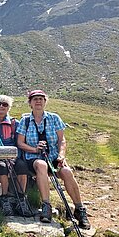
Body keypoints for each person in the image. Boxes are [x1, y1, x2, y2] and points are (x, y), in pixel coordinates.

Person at [17, 89, 91, 229]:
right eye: (35, 99)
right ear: (30, 103)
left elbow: (61, 140)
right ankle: (46, 205)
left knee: (67, 172)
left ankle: (79, 209)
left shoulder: (54, 118)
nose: (38, 101)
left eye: (41, 98)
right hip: (33, 158)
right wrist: (35, 149)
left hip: (53, 158)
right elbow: (20, 143)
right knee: (41, 165)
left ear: (45, 102)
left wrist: (61, 155)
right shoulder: (25, 121)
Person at [0, 95, 32, 217]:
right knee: (2, 167)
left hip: (13, 155)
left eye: (5, 104)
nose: (1, 106)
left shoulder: (15, 123)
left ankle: (21, 198)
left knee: (22, 166)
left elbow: (19, 141)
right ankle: (5, 198)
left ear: (9, 108)